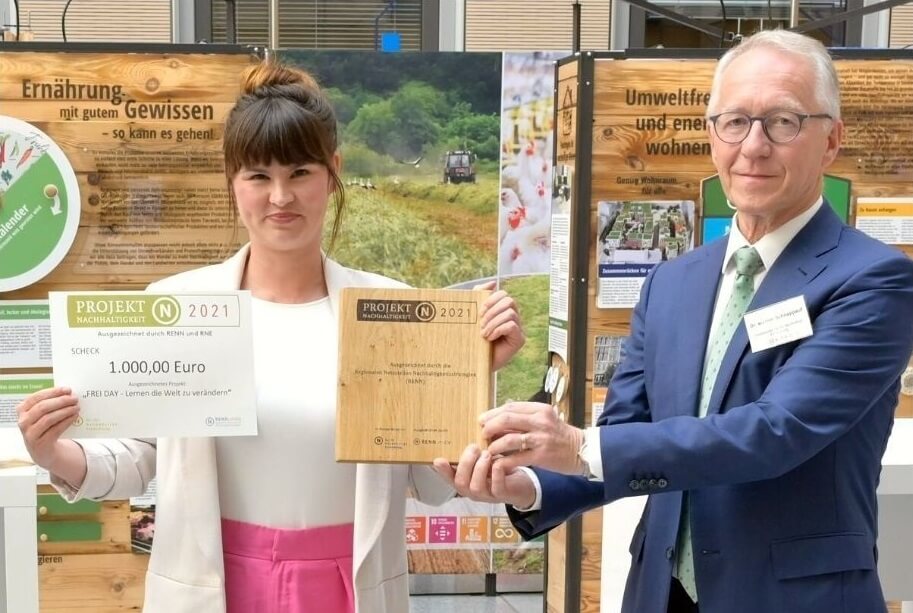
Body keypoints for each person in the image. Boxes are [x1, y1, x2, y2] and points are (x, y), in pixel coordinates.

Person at [17, 60, 525, 613]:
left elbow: (433, 483)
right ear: (233, 181)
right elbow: (140, 458)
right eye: (259, 176)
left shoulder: (389, 311)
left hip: (349, 587)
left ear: (333, 172)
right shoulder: (182, 306)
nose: (280, 197)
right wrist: (53, 451)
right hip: (214, 586)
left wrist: (473, 373)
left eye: (300, 172)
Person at [434, 30, 913, 613]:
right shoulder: (673, 282)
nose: (754, 145)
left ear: (831, 140)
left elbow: (774, 432)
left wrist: (578, 445)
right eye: (734, 121)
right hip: (664, 593)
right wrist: (531, 483)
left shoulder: (873, 279)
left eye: (783, 122)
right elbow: (628, 428)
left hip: (793, 596)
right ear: (711, 135)